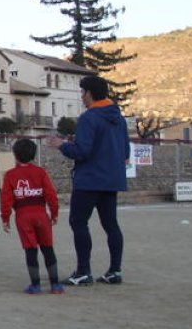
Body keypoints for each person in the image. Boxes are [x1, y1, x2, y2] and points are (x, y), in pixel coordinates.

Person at [48, 75, 130, 286]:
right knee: (111, 224)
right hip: (112, 179)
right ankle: (115, 270)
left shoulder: (89, 118)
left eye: (82, 92)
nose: (82, 97)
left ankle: (83, 271)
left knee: (78, 221)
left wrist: (61, 145)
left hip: (90, 179)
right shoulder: (118, 119)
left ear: (90, 93)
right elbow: (126, 150)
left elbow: (82, 151)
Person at [1, 138, 63, 294]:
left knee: (30, 250)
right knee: (48, 248)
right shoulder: (40, 172)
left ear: (15, 155)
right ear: (34, 155)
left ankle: (35, 285)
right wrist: (54, 213)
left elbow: (6, 199)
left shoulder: (10, 175)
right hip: (41, 213)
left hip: (22, 215)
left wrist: (5, 219)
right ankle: (55, 284)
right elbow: (51, 195)